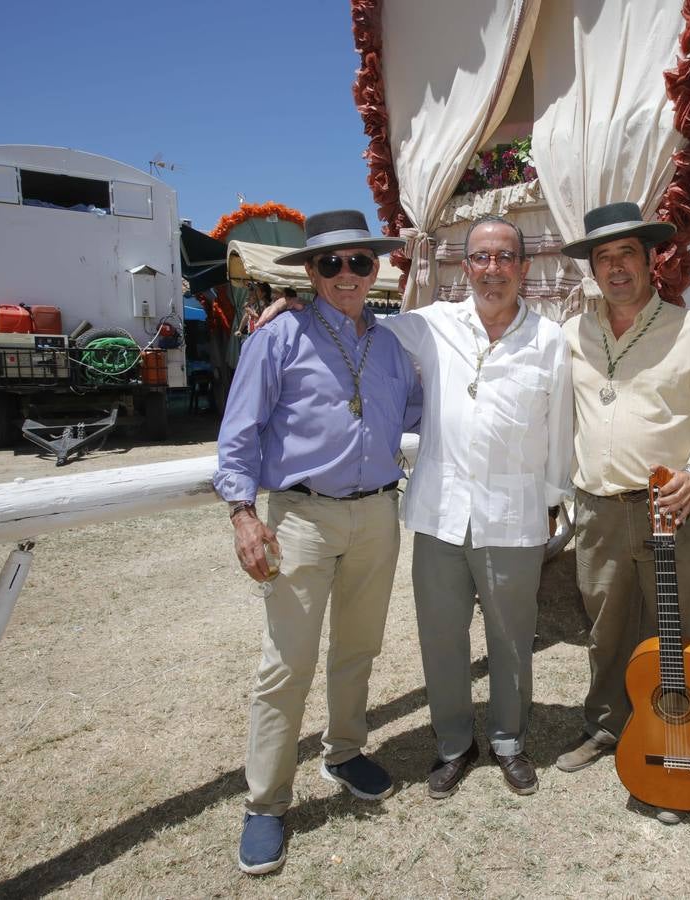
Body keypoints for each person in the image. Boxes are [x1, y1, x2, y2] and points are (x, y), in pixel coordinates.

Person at [255, 215, 573, 800]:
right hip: (439, 514)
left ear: (523, 268)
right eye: (481, 257)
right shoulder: (430, 325)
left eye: (505, 257)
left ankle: (508, 738)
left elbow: (561, 434)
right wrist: (293, 309)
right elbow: (354, 321)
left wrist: (554, 504)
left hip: (514, 515)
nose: (492, 269)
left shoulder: (551, 341)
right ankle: (454, 742)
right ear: (465, 266)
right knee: (441, 637)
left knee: (511, 636)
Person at [213, 209, 421, 876]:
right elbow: (238, 434)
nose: (347, 274)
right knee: (287, 664)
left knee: (359, 646)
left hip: (378, 515)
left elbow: (417, 413)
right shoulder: (276, 340)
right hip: (301, 518)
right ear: (310, 271)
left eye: (360, 261)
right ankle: (267, 803)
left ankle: (344, 750)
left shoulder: (391, 348)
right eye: (330, 263)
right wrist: (244, 516)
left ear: (375, 268)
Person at [553, 202, 690, 774]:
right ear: (592, 268)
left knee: (681, 630)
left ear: (651, 259)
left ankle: (679, 736)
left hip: (672, 508)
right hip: (599, 510)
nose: (615, 268)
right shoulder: (570, 336)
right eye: (603, 257)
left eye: (626, 254)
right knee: (605, 627)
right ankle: (607, 727)